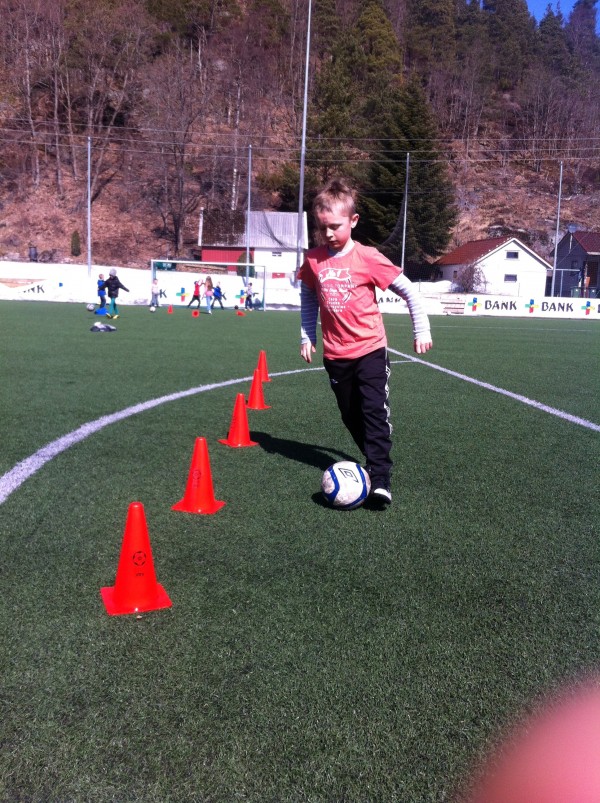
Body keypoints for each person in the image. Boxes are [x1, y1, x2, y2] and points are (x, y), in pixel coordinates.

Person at [298, 178, 432, 507]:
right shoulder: (314, 259)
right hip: (336, 355)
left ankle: (380, 476)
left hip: (370, 349)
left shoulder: (368, 257)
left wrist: (422, 329)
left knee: (373, 410)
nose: (328, 233)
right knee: (349, 414)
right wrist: (307, 334)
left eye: (335, 226)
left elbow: (409, 290)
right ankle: (372, 457)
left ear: (353, 221)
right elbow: (307, 295)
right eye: (322, 227)